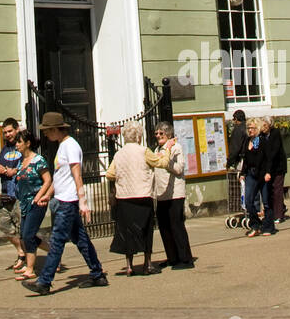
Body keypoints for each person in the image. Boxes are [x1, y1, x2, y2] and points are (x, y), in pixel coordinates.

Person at [22, 111, 108, 294]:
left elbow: (77, 175)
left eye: (47, 131)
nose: (45, 134)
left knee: (57, 240)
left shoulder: (70, 146)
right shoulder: (62, 146)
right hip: (63, 199)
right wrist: (49, 194)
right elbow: (60, 176)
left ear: (55, 129)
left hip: (68, 202)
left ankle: (44, 281)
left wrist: (83, 202)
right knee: (81, 240)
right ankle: (98, 274)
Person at [105, 122, 159, 276]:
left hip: (124, 197)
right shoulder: (144, 151)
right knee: (146, 230)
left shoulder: (119, 154)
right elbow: (158, 162)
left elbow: (109, 174)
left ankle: (129, 265)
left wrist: (123, 176)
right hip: (142, 195)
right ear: (138, 136)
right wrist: (166, 152)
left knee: (127, 231)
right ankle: (147, 264)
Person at [151, 120, 194, 266]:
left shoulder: (176, 147)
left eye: (161, 133)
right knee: (164, 226)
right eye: (156, 133)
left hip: (175, 193)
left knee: (176, 225)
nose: (158, 135)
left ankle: (185, 258)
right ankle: (172, 257)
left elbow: (179, 168)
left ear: (168, 134)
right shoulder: (157, 150)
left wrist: (165, 162)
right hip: (162, 194)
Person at [13, 129, 52, 281]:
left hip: (37, 203)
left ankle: (30, 269)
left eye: (19, 142)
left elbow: (48, 180)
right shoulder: (21, 161)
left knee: (28, 235)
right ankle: (54, 252)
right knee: (24, 236)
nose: (16, 145)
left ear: (28, 143)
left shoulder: (38, 160)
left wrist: (39, 196)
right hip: (24, 203)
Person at [0, 118, 25, 272]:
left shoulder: (23, 146)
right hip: (6, 195)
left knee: (24, 230)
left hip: (20, 194)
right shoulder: (5, 149)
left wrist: (16, 171)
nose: (8, 135)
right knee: (4, 227)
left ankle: (48, 254)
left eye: (10, 131)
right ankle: (21, 252)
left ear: (17, 129)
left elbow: (29, 165)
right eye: (5, 132)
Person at [240, 117, 268, 236]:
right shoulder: (248, 141)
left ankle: (262, 225)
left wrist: (265, 172)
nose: (250, 130)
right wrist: (242, 173)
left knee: (265, 201)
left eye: (252, 128)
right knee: (248, 201)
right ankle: (255, 225)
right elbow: (245, 159)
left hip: (259, 174)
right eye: (249, 128)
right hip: (250, 174)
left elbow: (263, 158)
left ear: (257, 129)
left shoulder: (260, 141)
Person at [259, 116, 288, 227]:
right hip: (268, 168)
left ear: (269, 125)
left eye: (265, 125)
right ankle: (277, 210)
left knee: (277, 189)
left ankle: (278, 215)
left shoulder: (275, 133)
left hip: (278, 167)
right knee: (269, 190)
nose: (263, 128)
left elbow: (274, 152)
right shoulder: (261, 135)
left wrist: (268, 165)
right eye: (262, 126)